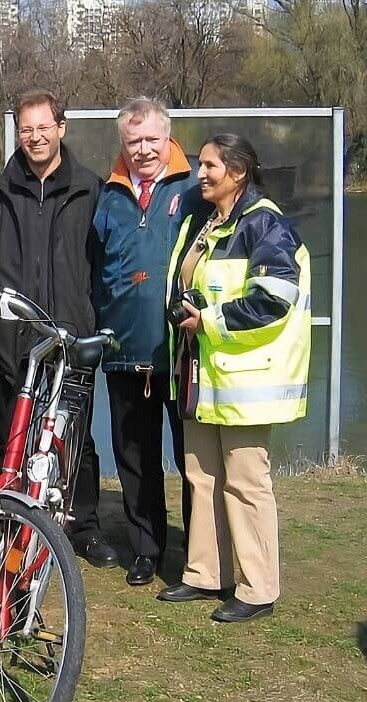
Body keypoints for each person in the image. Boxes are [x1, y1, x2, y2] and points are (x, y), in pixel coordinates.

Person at [158, 134, 311, 623]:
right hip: (202, 376)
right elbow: (185, 283)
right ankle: (206, 573)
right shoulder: (204, 224)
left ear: (238, 172)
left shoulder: (264, 224)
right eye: (200, 166)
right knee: (202, 475)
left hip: (245, 380)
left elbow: (275, 297)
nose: (200, 174)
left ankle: (257, 586)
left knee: (245, 481)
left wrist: (208, 320)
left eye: (210, 166)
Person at [0, 89, 117, 569]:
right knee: (10, 437)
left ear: (61, 128)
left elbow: (101, 267)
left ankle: (84, 526)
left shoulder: (90, 188)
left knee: (74, 437)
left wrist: (88, 326)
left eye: (44, 127)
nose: (35, 137)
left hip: (70, 339)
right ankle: (4, 524)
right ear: (17, 133)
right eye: (26, 129)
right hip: (15, 338)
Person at [93, 97, 199, 586]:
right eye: (133, 141)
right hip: (123, 351)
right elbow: (95, 266)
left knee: (191, 456)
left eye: (151, 140)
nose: (143, 150)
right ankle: (145, 549)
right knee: (133, 455)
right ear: (123, 143)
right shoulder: (107, 194)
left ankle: (199, 552)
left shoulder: (195, 187)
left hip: (178, 351)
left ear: (168, 138)